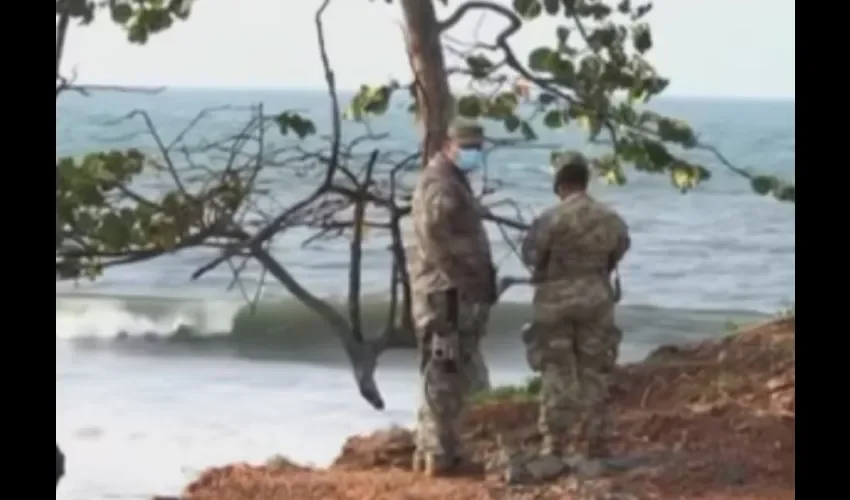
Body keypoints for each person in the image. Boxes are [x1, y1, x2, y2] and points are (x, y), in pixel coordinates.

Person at [520, 151, 630, 460]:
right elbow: (618, 250)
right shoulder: (610, 218)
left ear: (559, 183)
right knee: (594, 369)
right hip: (596, 298)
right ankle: (594, 442)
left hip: (554, 301)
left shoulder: (549, 219)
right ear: (585, 180)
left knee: (557, 369)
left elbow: (531, 257)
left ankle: (555, 444)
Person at [408, 119, 498, 476]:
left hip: (452, 290)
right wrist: (466, 281)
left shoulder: (453, 181)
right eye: (467, 146)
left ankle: (440, 448)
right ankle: (437, 454)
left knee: (454, 368)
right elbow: (435, 241)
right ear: (448, 145)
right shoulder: (440, 185)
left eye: (477, 146)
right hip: (445, 292)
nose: (473, 152)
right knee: (443, 370)